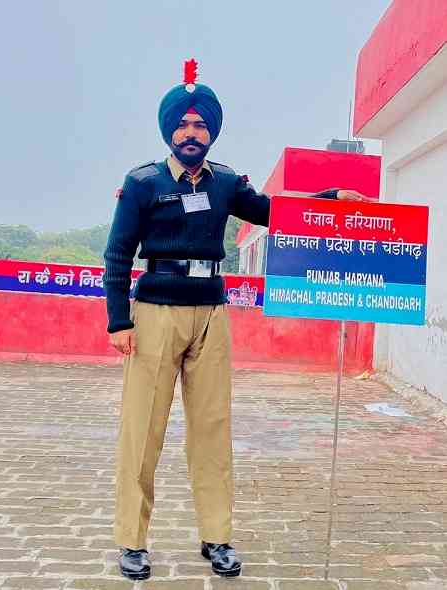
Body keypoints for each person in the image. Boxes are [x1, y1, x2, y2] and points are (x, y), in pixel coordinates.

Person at [103, 60, 367, 581]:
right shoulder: (141, 183)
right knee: (143, 430)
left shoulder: (224, 183)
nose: (191, 133)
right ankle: (132, 541)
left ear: (212, 132)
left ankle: (216, 537)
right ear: (169, 130)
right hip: (154, 313)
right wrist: (119, 322)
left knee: (212, 430)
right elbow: (116, 255)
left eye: (200, 125)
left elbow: (273, 212)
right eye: (182, 124)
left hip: (211, 315)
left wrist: (331, 201)